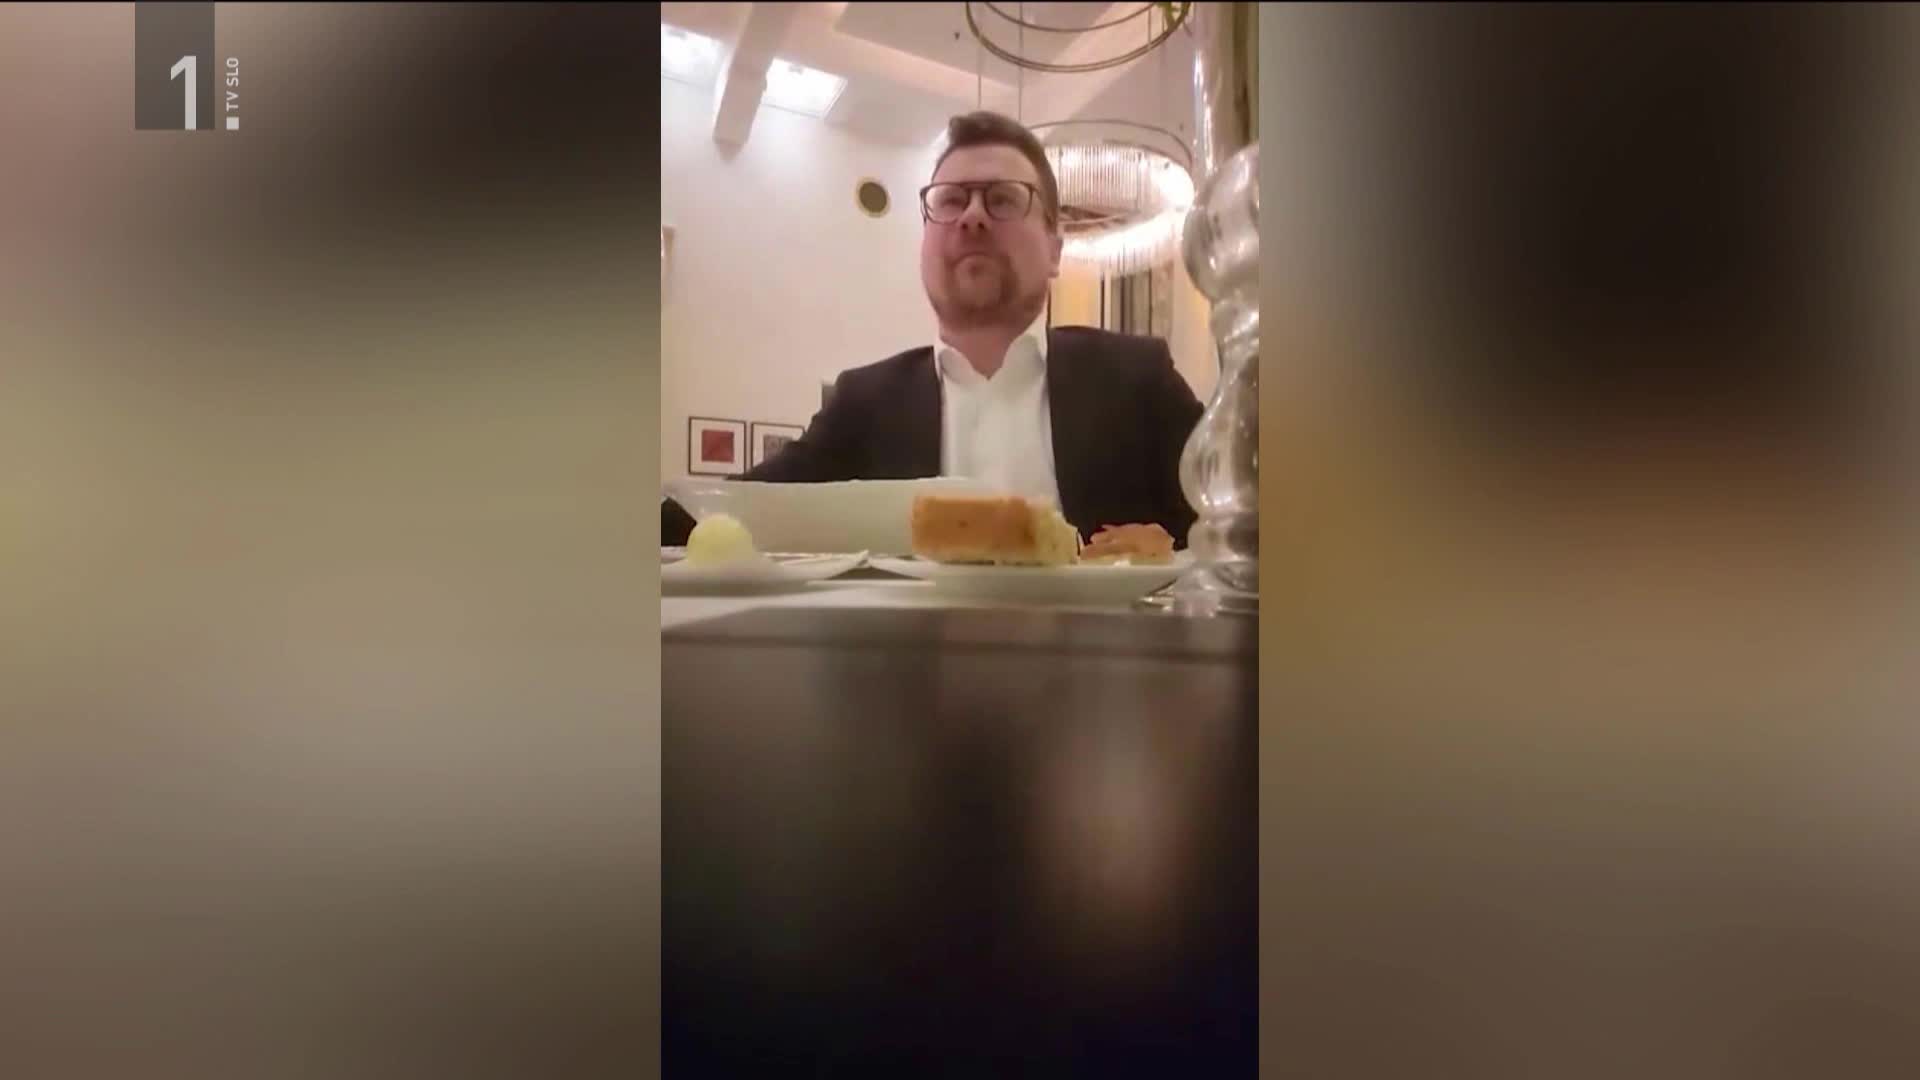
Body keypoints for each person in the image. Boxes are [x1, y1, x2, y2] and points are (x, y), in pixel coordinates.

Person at [662, 110, 1205, 548]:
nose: (973, 216)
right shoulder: (863, 403)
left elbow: (1241, 512)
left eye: (1003, 199)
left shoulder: (1138, 378)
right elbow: (738, 514)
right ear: (924, 246)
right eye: (951, 200)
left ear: (1054, 250)